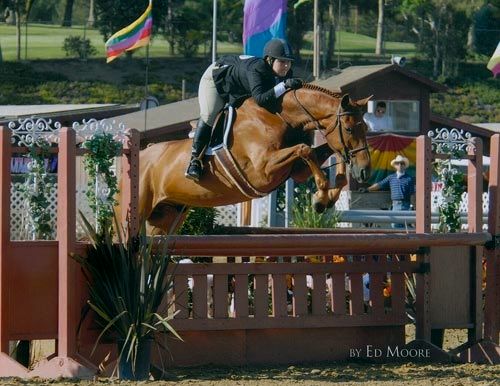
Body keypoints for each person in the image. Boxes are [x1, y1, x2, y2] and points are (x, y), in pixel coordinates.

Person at [185, 38, 303, 182]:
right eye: (282, 61)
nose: (286, 66)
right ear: (270, 60)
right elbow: (260, 98)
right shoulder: (257, 68)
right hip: (215, 80)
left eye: (289, 62)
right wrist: (284, 86)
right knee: (210, 114)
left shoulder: (285, 72)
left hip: (239, 86)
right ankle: (195, 161)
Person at [363, 155, 415, 228]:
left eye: (402, 163)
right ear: (395, 166)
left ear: (404, 165)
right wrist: (368, 189)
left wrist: (413, 207)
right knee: (395, 226)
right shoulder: (391, 177)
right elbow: (380, 184)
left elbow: (412, 194)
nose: (400, 165)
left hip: (406, 205)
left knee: (405, 226)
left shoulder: (409, 178)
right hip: (395, 205)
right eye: (398, 163)